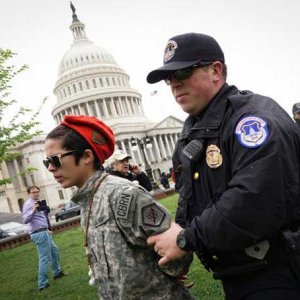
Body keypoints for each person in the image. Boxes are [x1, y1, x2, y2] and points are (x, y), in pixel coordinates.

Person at [146, 32, 300, 300]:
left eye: (182, 73)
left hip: (277, 267)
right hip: (239, 270)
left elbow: (254, 199)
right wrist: (178, 240)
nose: (174, 85)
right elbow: (189, 195)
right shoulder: (194, 128)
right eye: (169, 78)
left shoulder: (253, 120)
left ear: (216, 71)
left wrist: (186, 239)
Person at [43, 115, 194, 300]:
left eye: (55, 160)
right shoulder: (88, 200)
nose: (50, 168)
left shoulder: (124, 194)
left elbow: (178, 252)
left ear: (86, 156)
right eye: (46, 162)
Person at [22, 185, 65, 291]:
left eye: (37, 191)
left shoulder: (38, 203)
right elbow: (25, 220)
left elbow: (40, 219)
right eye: (33, 192)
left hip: (44, 232)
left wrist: (47, 229)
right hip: (38, 234)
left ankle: (57, 273)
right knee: (44, 258)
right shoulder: (28, 204)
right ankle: (42, 284)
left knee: (55, 251)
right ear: (29, 193)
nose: (36, 193)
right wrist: (33, 210)